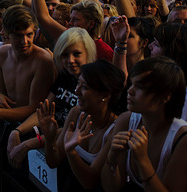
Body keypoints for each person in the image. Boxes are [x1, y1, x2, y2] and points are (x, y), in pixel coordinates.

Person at [102, 57, 187, 192]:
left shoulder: (183, 139)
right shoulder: (126, 121)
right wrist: (112, 159)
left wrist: (142, 160)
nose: (130, 91)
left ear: (166, 96)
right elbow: (111, 187)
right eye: (131, 84)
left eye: (140, 87)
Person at [7, 27, 97, 167]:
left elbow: (69, 129)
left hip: (67, 151)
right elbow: (43, 111)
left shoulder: (93, 85)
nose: (70, 60)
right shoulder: (65, 76)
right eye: (65, 55)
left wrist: (28, 144)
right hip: (47, 140)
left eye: (77, 54)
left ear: (88, 52)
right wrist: (17, 132)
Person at [37, 60, 125, 190]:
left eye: (85, 87)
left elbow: (90, 183)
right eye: (78, 83)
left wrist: (71, 152)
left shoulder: (114, 130)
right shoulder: (76, 113)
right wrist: (50, 139)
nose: (76, 91)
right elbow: (53, 161)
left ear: (105, 96)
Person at [0, 5, 55, 123]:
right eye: (18, 35)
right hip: (6, 121)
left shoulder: (43, 61)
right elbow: (3, 93)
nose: (25, 41)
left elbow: (34, 108)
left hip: (27, 128)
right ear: (6, 33)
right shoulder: (1, 53)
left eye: (29, 34)